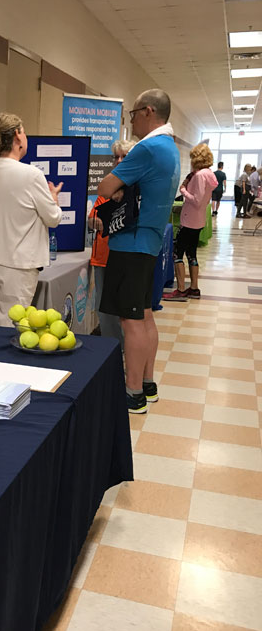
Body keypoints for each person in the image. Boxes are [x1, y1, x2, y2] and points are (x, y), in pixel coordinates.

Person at [97, 89, 180, 414]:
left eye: (131, 114)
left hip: (129, 244)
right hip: (149, 242)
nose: (129, 121)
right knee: (144, 316)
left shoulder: (148, 147)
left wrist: (117, 193)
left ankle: (131, 393)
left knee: (130, 322)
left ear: (147, 111)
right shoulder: (169, 148)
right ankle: (147, 382)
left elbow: (105, 187)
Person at [0, 113, 63, 326]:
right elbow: (53, 218)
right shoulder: (31, 175)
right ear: (17, 136)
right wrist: (54, 199)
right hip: (18, 263)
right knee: (13, 323)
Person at [88, 139, 136, 349]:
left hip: (125, 257)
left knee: (124, 311)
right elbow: (92, 219)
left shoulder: (137, 187)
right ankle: (111, 349)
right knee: (103, 309)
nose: (119, 160)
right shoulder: (107, 186)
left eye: (124, 156)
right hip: (102, 258)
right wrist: (95, 221)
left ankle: (124, 350)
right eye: (116, 157)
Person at [165, 144, 217, 301]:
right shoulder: (208, 174)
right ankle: (194, 288)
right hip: (198, 220)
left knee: (177, 253)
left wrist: (183, 190)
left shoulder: (200, 176)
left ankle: (181, 289)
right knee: (192, 253)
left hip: (190, 220)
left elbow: (197, 200)